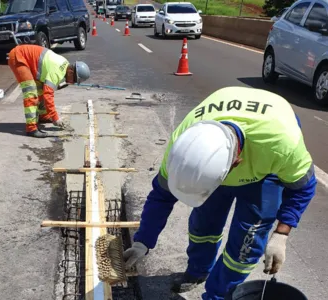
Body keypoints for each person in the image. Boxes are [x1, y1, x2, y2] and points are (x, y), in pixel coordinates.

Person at [123, 86, 317, 299]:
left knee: (247, 243)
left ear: (236, 164)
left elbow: (303, 188)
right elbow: (161, 196)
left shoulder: (281, 145)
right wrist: (143, 240)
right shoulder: (184, 144)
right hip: (225, 145)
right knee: (203, 225)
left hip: (265, 169)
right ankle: (197, 271)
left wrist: (281, 234)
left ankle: (218, 295)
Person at [8, 44, 90, 138]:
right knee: (31, 93)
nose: (73, 83)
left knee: (41, 90)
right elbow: (48, 95)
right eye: (74, 80)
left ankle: (43, 116)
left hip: (28, 60)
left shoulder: (64, 65)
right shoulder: (57, 72)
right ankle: (31, 128)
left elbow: (46, 88)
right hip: (19, 58)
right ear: (71, 72)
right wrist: (55, 118)